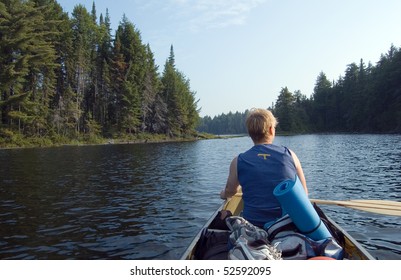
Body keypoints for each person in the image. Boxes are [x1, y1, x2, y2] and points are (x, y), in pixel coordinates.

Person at [220, 108, 308, 228]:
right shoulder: (290, 155)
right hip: (285, 226)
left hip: (253, 226)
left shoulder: (238, 161)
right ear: (271, 130)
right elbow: (303, 193)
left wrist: (223, 194)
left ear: (250, 133)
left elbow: (230, 191)